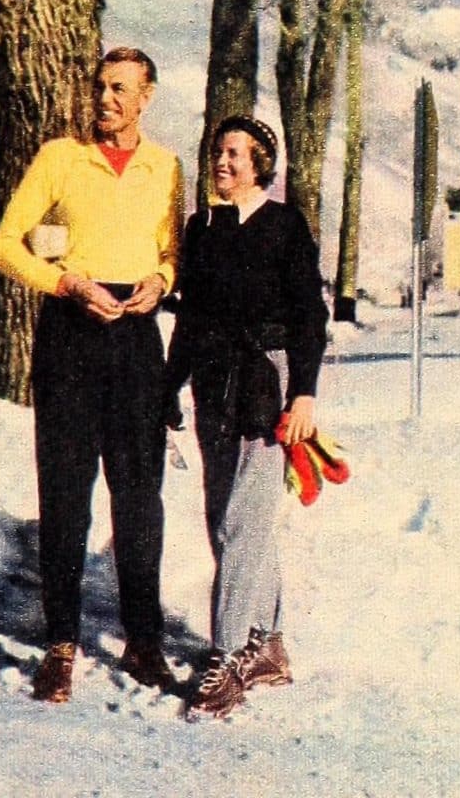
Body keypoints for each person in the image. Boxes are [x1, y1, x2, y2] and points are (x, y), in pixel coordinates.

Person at [0, 47, 184, 703]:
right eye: (100, 87)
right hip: (70, 334)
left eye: (121, 88)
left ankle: (144, 642)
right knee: (66, 495)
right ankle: (61, 643)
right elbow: (4, 245)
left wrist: (162, 280)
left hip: (135, 337)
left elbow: (172, 253)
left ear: (147, 95)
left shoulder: (166, 167)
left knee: (139, 499)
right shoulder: (59, 158)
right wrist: (65, 281)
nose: (106, 99)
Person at [165, 115, 329, 719]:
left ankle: (228, 656)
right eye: (218, 151)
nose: (223, 162)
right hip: (214, 382)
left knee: (245, 518)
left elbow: (310, 317)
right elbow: (190, 318)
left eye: (235, 153)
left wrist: (304, 394)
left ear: (260, 163)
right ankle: (270, 643)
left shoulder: (285, 225)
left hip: (268, 381)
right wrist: (168, 385)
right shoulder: (202, 227)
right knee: (225, 518)